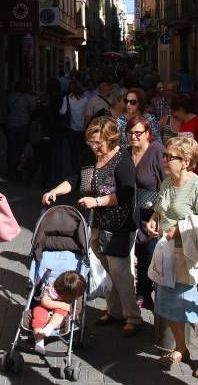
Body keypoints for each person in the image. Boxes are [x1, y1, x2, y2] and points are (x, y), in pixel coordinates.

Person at [42, 117, 142, 337]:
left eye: (98, 143)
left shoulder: (121, 158)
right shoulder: (91, 155)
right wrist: (55, 191)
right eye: (91, 142)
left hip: (118, 224)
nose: (94, 147)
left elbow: (126, 194)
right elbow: (77, 178)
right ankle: (115, 311)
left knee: (119, 270)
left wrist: (97, 202)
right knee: (107, 269)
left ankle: (133, 316)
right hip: (95, 222)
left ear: (111, 139)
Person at [146, 137, 198, 378]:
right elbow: (161, 209)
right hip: (168, 252)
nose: (165, 160)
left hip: (190, 256)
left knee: (193, 308)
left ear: (186, 161)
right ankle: (181, 348)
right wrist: (154, 220)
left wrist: (180, 229)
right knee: (168, 305)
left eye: (171, 157)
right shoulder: (167, 182)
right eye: (165, 155)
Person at [126, 116, 165, 311]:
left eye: (138, 133)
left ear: (148, 134)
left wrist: (157, 215)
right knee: (137, 255)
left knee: (149, 255)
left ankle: (146, 293)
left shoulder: (157, 151)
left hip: (153, 213)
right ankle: (141, 294)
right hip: (131, 213)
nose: (133, 136)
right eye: (130, 133)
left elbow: (167, 185)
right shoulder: (126, 153)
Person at [32, 271, 87, 354]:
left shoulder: (72, 294)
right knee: (38, 312)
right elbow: (44, 301)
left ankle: (49, 328)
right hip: (45, 307)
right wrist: (60, 304)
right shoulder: (55, 288)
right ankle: (39, 341)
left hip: (58, 313)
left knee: (61, 312)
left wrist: (63, 307)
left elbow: (71, 309)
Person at [6, 80, 36, 180]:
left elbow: (8, 107)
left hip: (11, 124)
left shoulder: (11, 96)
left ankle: (11, 169)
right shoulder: (27, 97)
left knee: (11, 148)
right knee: (22, 148)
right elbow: (33, 108)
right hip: (23, 125)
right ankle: (21, 167)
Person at [60, 80, 89, 175]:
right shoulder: (85, 99)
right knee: (81, 151)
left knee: (73, 150)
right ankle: (82, 169)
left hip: (71, 127)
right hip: (82, 128)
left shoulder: (67, 98)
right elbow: (87, 113)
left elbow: (63, 112)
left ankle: (74, 170)